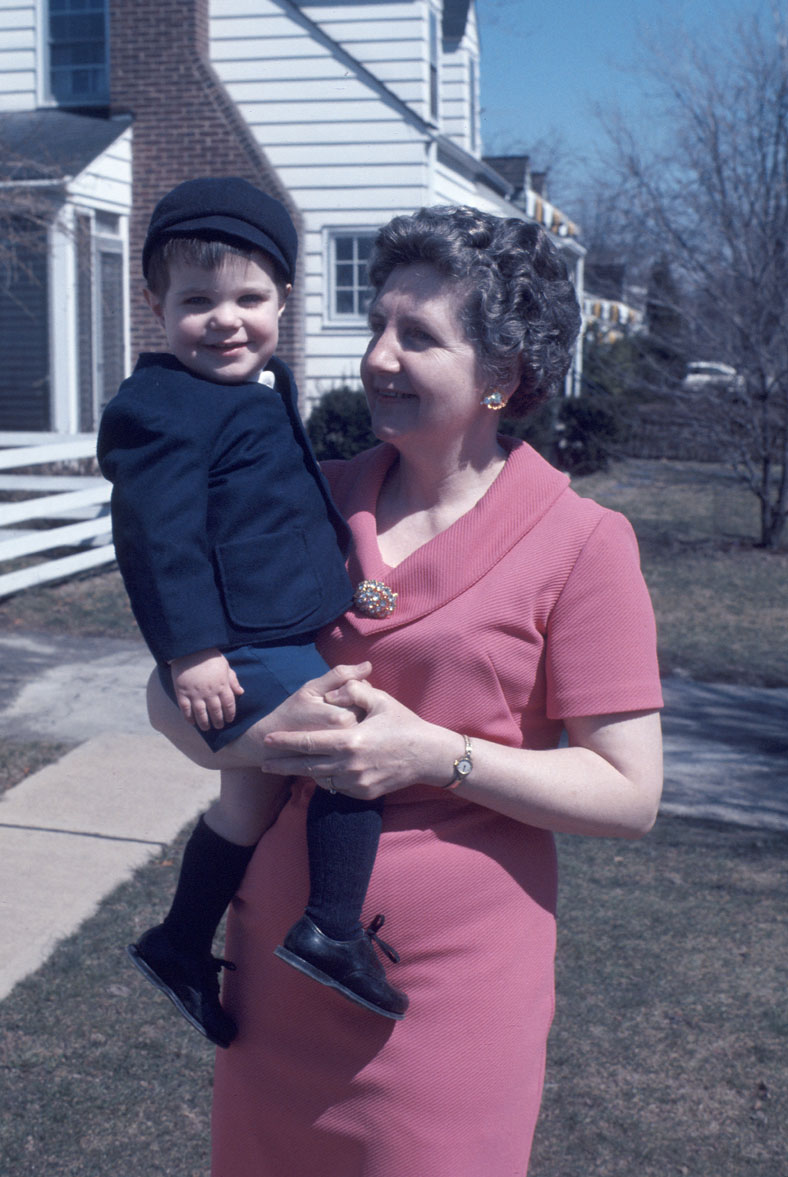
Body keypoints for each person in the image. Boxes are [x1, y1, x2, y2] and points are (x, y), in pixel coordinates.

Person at [146, 204, 664, 1176]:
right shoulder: (309, 489)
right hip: (272, 982)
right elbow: (171, 688)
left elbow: (629, 793)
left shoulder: (584, 543)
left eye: (417, 335)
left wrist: (433, 754)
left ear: (503, 374)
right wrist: (260, 735)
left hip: (448, 999)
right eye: (376, 324)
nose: (377, 355)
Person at [97, 177, 408, 1051]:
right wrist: (191, 652)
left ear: (284, 300)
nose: (225, 321)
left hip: (275, 621)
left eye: (248, 298)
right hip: (238, 642)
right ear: (156, 307)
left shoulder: (263, 384)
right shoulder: (158, 408)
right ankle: (332, 926)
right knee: (353, 746)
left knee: (247, 801)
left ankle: (178, 942)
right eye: (197, 302)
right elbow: (159, 538)